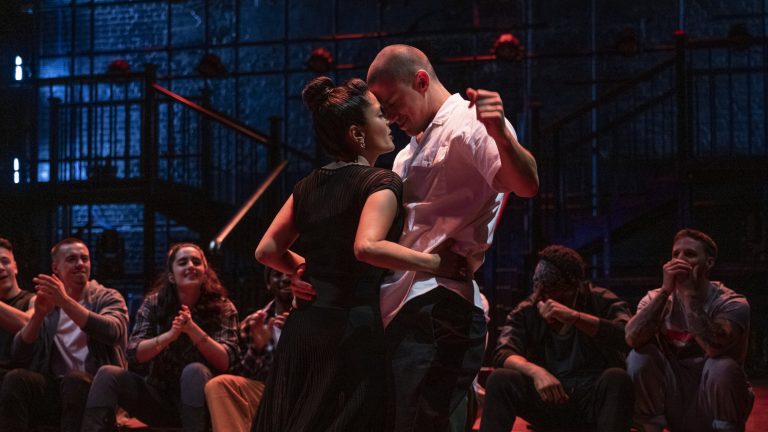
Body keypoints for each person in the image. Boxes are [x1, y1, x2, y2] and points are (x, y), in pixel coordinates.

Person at [252, 76, 468, 432]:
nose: (389, 121)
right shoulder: (380, 182)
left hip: (304, 330)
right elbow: (367, 247)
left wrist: (305, 269)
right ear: (357, 134)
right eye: (379, 115)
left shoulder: (307, 185)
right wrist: (435, 262)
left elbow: (267, 251)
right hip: (349, 331)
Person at [364, 44, 539, 431]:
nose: (389, 117)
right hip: (400, 304)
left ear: (420, 81)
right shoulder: (405, 153)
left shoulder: (469, 122)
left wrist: (501, 134)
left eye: (392, 103)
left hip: (438, 303)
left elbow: (526, 184)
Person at [81, 242, 239, 432]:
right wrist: (169, 336)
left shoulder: (223, 307)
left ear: (205, 272)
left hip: (205, 404)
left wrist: (192, 330)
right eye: (183, 262)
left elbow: (226, 361)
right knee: (108, 374)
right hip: (160, 399)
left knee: (194, 371)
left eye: (196, 262)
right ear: (171, 276)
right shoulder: (155, 303)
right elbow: (133, 353)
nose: (190, 266)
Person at [480, 245, 634, 432]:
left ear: (574, 288)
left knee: (617, 378)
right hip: (548, 396)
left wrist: (575, 317)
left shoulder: (600, 300)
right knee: (501, 378)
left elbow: (627, 335)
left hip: (590, 396)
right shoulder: (528, 309)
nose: (543, 300)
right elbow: (503, 352)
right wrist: (537, 372)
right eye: (540, 292)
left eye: (554, 293)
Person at [625, 229, 752, 432]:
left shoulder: (731, 302)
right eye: (676, 254)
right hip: (673, 397)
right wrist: (665, 291)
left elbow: (714, 347)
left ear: (708, 263)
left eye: (690, 254)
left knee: (723, 366)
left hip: (713, 401)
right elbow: (632, 338)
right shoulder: (655, 298)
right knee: (638, 357)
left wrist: (688, 294)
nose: (680, 260)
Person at [0, 238, 128, 432]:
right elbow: (20, 353)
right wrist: (39, 315)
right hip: (58, 388)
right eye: (71, 259)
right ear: (56, 268)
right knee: (16, 378)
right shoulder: (49, 305)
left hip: (98, 389)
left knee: (75, 380)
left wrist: (65, 302)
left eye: (84, 258)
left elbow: (113, 332)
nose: (80, 264)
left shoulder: (106, 297)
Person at [204, 267, 293, 432]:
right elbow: (242, 378)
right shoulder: (254, 324)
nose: (286, 279)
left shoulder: (318, 320)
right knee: (219, 385)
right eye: (277, 274)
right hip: (269, 398)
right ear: (268, 283)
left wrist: (300, 335)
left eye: (291, 274)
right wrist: (256, 349)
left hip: (306, 396)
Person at [0, 238, 35, 377]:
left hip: (17, 379)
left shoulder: (33, 300)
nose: (0, 267)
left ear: (15, 267)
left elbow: (29, 324)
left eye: (5, 261)